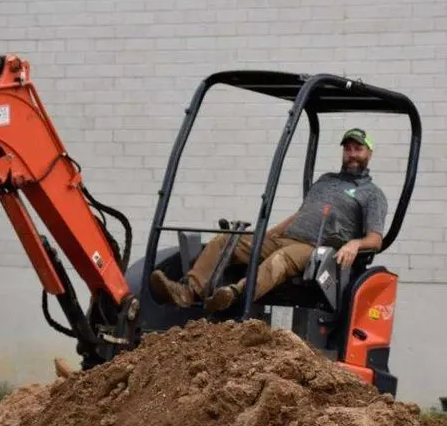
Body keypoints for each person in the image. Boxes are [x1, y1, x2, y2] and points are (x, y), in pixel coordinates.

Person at [149, 127, 389, 312]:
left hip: (316, 249)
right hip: (286, 237)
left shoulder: (372, 194)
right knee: (225, 241)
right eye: (348, 149)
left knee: (280, 259)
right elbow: (302, 213)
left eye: (358, 149)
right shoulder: (326, 180)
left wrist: (355, 244)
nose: (352, 155)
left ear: (369, 153)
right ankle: (187, 291)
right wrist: (269, 233)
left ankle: (234, 296)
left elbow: (375, 240)